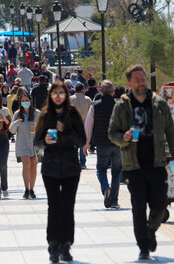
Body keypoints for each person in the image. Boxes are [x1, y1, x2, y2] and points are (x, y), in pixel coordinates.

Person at [108, 65, 174, 260]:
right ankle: (143, 246)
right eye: (136, 79)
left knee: (160, 205)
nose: (141, 82)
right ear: (129, 83)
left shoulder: (159, 103)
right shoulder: (121, 106)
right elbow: (112, 133)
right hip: (133, 165)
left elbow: (170, 131)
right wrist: (124, 137)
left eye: (143, 78)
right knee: (138, 207)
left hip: (156, 163)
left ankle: (150, 229)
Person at [34, 81, 86, 263]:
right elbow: (37, 141)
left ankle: (66, 245)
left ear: (66, 95)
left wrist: (67, 132)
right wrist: (45, 141)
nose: (57, 96)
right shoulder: (45, 114)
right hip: (50, 168)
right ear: (50, 95)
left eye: (61, 93)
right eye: (54, 92)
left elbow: (82, 141)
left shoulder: (72, 114)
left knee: (68, 207)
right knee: (54, 207)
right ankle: (53, 245)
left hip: (71, 167)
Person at [84, 80, 122, 209]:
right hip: (117, 143)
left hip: (101, 143)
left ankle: (105, 187)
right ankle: (114, 200)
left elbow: (89, 125)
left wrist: (86, 143)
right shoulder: (119, 106)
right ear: (113, 92)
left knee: (101, 169)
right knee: (116, 172)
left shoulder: (95, 106)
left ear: (100, 91)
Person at [9, 93, 40, 199]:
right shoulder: (17, 114)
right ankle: (26, 189)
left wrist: (38, 126)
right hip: (22, 143)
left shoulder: (37, 113)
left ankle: (32, 189)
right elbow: (11, 130)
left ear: (30, 101)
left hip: (34, 143)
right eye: (23, 100)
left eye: (27, 100)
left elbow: (44, 127)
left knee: (33, 165)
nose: (25, 102)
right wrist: (17, 122)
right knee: (26, 163)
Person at [70, 83, 92, 169]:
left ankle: (74, 161)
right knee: (83, 143)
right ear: (83, 89)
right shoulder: (87, 99)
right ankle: (83, 163)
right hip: (85, 124)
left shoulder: (70, 99)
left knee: (74, 143)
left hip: (73, 124)